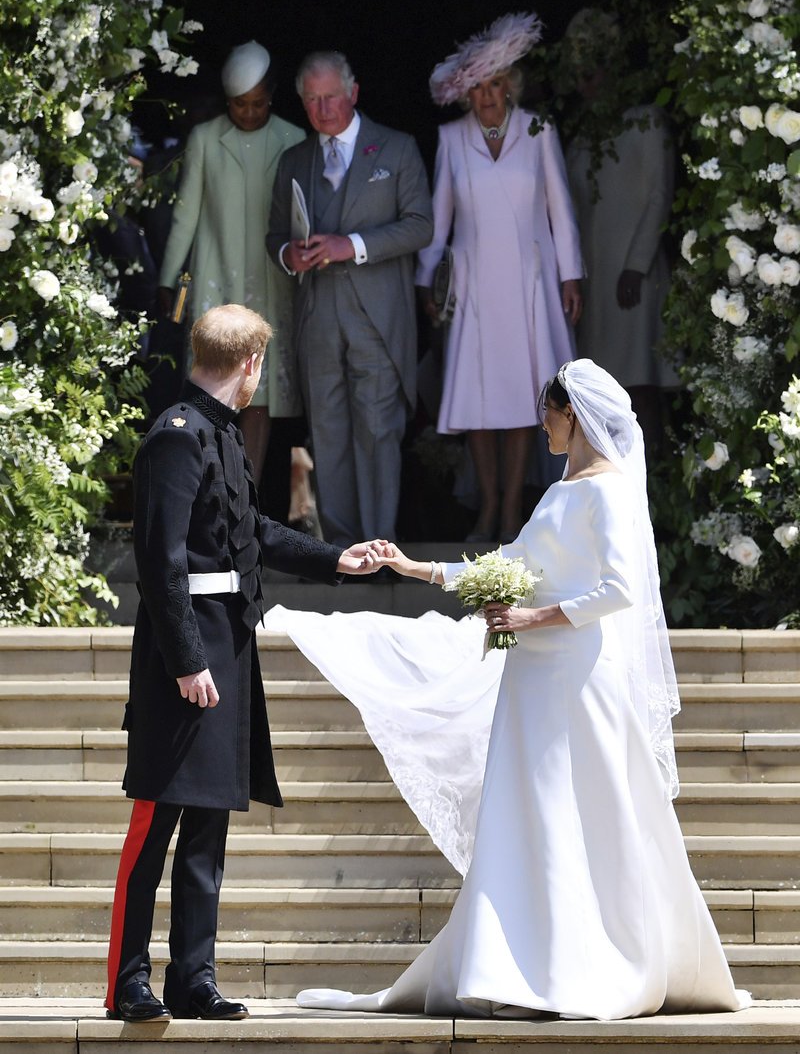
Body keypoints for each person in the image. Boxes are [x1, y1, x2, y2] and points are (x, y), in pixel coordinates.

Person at [272, 359, 748, 1020]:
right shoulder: (562, 491)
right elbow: (508, 569)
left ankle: (581, 966)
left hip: (577, 678)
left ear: (573, 414)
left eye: (548, 411)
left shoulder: (606, 490)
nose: (542, 421)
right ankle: (518, 966)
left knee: (581, 813)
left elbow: (619, 590)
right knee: (530, 817)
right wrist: (410, 565)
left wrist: (532, 618)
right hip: (532, 680)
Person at [104, 303, 383, 1023]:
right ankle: (127, 980)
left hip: (225, 643)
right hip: (184, 650)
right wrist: (187, 660)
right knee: (156, 821)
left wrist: (333, 559)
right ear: (251, 364)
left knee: (208, 824)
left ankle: (192, 977)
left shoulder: (219, 435)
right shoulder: (176, 436)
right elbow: (160, 563)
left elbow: (248, 531)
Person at [416, 13, 583, 544]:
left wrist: (571, 276)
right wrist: (427, 281)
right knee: (479, 404)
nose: (487, 96)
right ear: (466, 94)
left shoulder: (539, 130)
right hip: (473, 286)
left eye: (495, 85)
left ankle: (512, 508)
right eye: (478, 88)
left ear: (509, 86)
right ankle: (487, 506)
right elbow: (439, 218)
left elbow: (561, 210)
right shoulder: (450, 138)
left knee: (520, 402)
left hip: (529, 283)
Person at [267, 50, 433, 547]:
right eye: (312, 100)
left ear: (354, 93)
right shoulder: (294, 159)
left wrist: (352, 245)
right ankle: (342, 551)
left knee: (379, 430)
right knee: (329, 431)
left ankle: (381, 548)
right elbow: (274, 234)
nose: (322, 109)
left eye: (331, 97)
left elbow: (421, 226)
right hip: (317, 315)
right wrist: (287, 255)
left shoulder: (397, 148)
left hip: (378, 317)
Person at [159, 41, 304, 490]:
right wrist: (167, 278)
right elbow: (186, 214)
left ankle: (249, 494)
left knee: (260, 393)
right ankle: (209, 493)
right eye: (240, 104)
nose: (249, 112)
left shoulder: (293, 138)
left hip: (271, 279)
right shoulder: (205, 137)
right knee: (211, 387)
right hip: (215, 276)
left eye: (258, 103)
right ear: (227, 101)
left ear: (272, 95)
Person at [562, 9, 677, 455]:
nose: (587, 85)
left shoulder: (646, 121)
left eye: (594, 73)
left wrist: (636, 266)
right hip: (595, 283)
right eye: (581, 76)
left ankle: (658, 489)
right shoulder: (582, 140)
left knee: (639, 384)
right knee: (603, 392)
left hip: (634, 278)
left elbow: (658, 196)